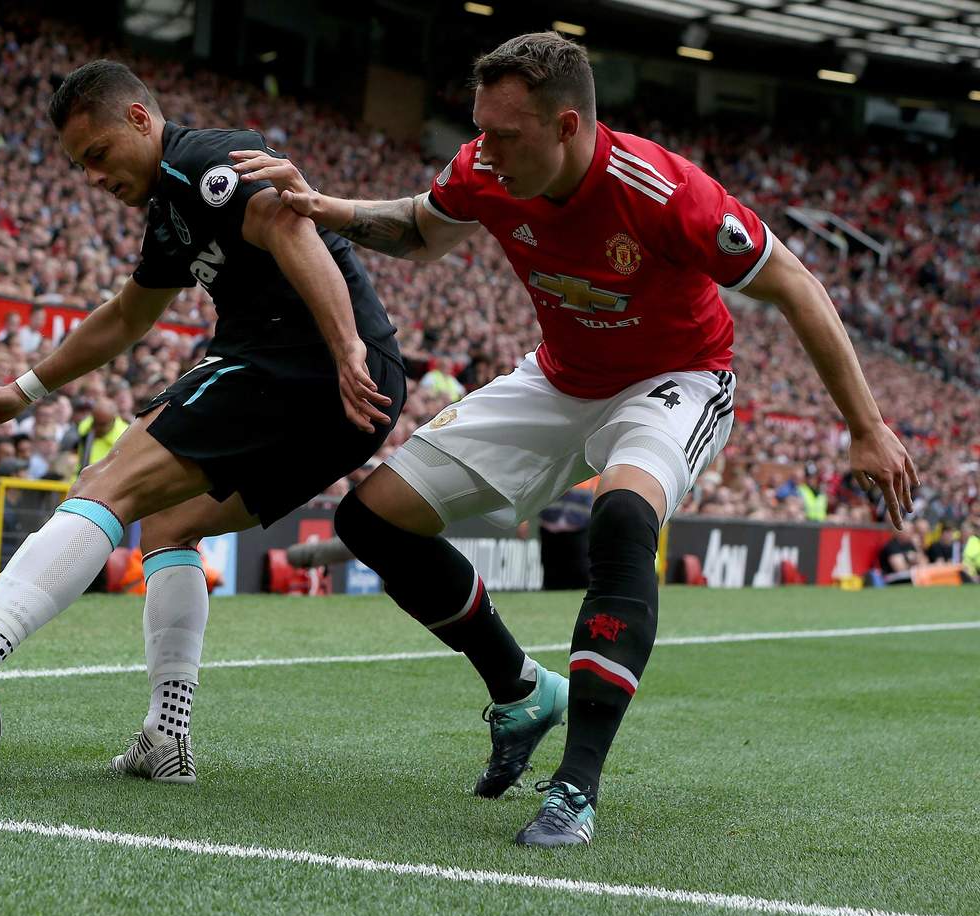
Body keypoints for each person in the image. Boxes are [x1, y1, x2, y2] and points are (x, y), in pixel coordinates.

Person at [232, 31, 917, 847]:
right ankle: (522, 691)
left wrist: (866, 427)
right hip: (559, 377)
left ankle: (576, 788)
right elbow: (421, 229)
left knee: (621, 517)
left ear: (567, 127)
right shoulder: (486, 169)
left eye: (504, 134)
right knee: (370, 521)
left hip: (675, 379)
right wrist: (326, 206)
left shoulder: (665, 191)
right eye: (479, 130)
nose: (484, 151)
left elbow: (796, 284)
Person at [0, 59, 406, 785]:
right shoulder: (168, 211)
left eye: (98, 154)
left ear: (140, 118)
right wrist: (23, 391)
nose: (93, 176)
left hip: (306, 360)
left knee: (107, 481)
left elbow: (289, 225)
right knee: (168, 525)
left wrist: (345, 346)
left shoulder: (203, 161)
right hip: (355, 390)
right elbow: (129, 315)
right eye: (80, 165)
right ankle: (167, 737)